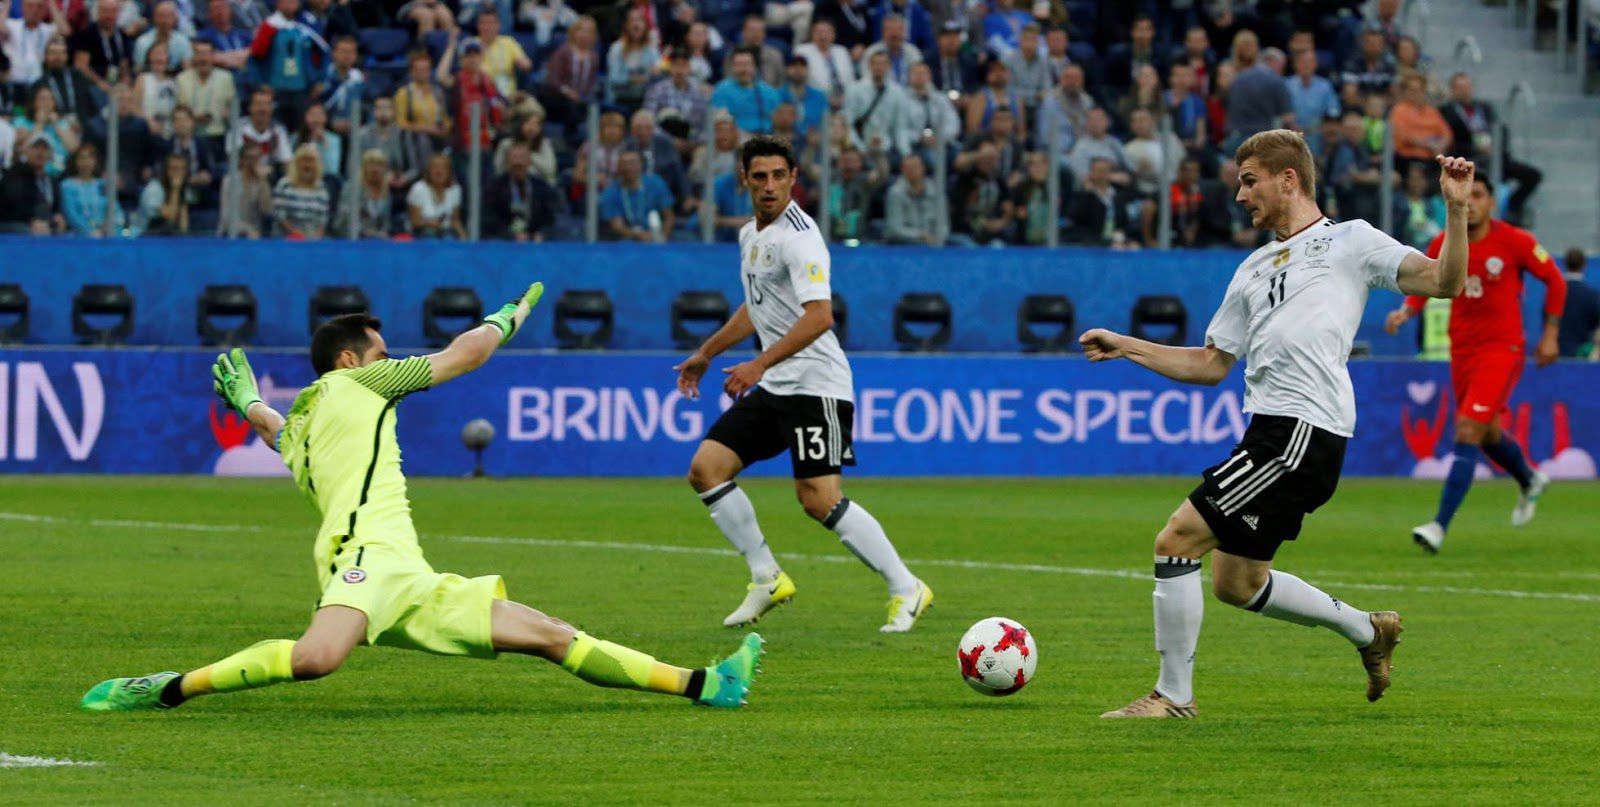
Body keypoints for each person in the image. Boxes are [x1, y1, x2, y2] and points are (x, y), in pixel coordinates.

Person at [80, 296, 764, 714]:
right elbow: (462, 356)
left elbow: (274, 427)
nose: (391, 357)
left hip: (408, 574)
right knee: (318, 659)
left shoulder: (303, 428)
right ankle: (167, 686)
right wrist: (508, 316)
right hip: (366, 563)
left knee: (551, 633)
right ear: (352, 360)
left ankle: (706, 683)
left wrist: (248, 400)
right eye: (380, 351)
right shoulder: (364, 386)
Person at [1081, 131, 1476, 718]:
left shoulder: (1351, 241)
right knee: (1236, 583)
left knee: (1176, 540)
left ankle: (1172, 697)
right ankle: (1370, 632)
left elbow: (1444, 282)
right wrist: (1125, 345)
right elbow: (1211, 364)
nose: (1240, 196)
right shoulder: (1253, 268)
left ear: (1288, 179)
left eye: (1249, 181)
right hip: (1268, 432)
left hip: (1302, 432)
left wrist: (1456, 208)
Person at [673, 135, 932, 632]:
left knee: (818, 499)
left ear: (793, 178)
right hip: (778, 386)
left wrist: (759, 366)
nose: (769, 186)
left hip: (818, 387)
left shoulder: (800, 238)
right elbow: (757, 306)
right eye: (760, 176)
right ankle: (766, 576)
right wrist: (708, 353)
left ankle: (906, 587)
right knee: (707, 469)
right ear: (745, 179)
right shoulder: (751, 234)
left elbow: (820, 317)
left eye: (778, 176)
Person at [1383, 174, 1567, 553]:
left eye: (1479, 195)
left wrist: (1550, 334)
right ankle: (1529, 478)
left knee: (1467, 428)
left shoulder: (1515, 241)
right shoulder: (1447, 241)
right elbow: (1428, 279)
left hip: (1502, 350)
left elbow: (1556, 281)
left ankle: (1438, 525)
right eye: (1468, 196)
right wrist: (1406, 311)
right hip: (1462, 352)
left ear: (1490, 203)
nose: (1471, 202)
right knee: (1487, 433)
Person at [1438, 72, 1541, 226]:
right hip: (1468, 158)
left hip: (1495, 156)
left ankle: (1513, 208)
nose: (1465, 91)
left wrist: (1496, 147)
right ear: (1452, 90)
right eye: (1460, 88)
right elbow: (1451, 140)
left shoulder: (1484, 108)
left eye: (1467, 87)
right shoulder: (1446, 111)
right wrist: (1476, 148)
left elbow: (1501, 129)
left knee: (1532, 175)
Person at [484, 140, 555, 241]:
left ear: (529, 161)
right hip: (504, 243)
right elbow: (489, 219)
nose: (518, 162)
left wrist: (542, 234)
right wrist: (510, 235)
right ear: (507, 161)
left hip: (535, 243)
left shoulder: (542, 187)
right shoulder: (494, 187)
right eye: (514, 158)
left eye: (522, 158)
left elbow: (551, 218)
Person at [599, 149, 673, 241]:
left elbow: (668, 216)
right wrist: (639, 235)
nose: (629, 167)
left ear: (641, 165)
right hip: (627, 238)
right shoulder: (610, 192)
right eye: (624, 164)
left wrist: (663, 237)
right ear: (618, 167)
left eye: (633, 163)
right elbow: (617, 226)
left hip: (657, 234)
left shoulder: (656, 183)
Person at [176, 40, 237, 142]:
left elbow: (232, 107)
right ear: (194, 57)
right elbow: (178, 109)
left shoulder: (226, 78)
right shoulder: (182, 79)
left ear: (213, 56)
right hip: (189, 136)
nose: (203, 59)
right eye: (199, 54)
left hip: (218, 134)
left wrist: (227, 114)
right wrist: (194, 118)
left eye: (207, 54)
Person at [712, 47, 782, 135]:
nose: (744, 69)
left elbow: (777, 119)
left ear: (754, 66)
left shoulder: (768, 91)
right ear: (732, 67)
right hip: (736, 139)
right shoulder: (722, 90)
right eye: (739, 65)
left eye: (747, 64)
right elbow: (721, 122)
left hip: (766, 138)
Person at [883, 151, 946, 245]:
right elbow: (894, 229)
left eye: (915, 167)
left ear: (923, 168)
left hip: (934, 240)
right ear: (902, 170)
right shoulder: (895, 193)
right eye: (907, 168)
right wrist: (921, 236)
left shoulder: (936, 192)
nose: (911, 171)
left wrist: (938, 238)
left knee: (965, 244)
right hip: (905, 242)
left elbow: (944, 225)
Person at [31, 37, 97, 126]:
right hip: (54, 128)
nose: (57, 57)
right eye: (53, 52)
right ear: (46, 56)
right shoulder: (39, 84)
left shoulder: (78, 77)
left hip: (81, 127)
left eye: (61, 53)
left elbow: (91, 107)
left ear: (66, 56)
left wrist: (81, 122)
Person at [61, 143, 125, 235]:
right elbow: (70, 213)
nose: (86, 162)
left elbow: (115, 209)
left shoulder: (102, 184)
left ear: (95, 161)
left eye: (90, 158)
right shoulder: (68, 185)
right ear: (75, 161)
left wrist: (110, 228)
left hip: (105, 234)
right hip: (79, 236)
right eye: (82, 158)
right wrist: (89, 231)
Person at [394, 49, 451, 152]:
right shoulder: (404, 93)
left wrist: (446, 127)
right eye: (418, 70)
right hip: (415, 141)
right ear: (412, 72)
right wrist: (427, 128)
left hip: (438, 139)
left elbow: (445, 118)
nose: (423, 73)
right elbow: (400, 123)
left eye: (426, 69)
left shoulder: (437, 92)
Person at [70, 0, 133, 90]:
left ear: (118, 13)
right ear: (98, 12)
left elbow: (124, 65)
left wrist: (124, 82)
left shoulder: (122, 36)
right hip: (92, 84)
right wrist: (100, 83)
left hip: (116, 84)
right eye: (105, 11)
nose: (109, 15)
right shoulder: (86, 34)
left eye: (113, 11)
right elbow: (81, 66)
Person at [606, 7, 661, 109]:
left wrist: (654, 74)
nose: (636, 24)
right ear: (626, 26)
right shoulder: (617, 48)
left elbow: (658, 72)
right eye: (632, 20)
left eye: (639, 20)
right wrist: (631, 79)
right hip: (621, 99)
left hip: (646, 100)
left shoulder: (651, 49)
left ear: (645, 26)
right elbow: (613, 78)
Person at [228, 86, 294, 170]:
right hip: (243, 175)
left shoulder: (278, 130)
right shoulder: (237, 128)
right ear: (250, 107)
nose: (262, 109)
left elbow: (287, 161)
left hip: (270, 177)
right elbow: (233, 160)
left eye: (267, 104)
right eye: (258, 104)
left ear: (272, 108)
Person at [274, 142, 330, 238]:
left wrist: (316, 238)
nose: (307, 165)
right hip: (287, 237)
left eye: (311, 161)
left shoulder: (321, 188)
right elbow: (280, 216)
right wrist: (297, 235)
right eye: (303, 161)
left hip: (313, 237)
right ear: (296, 164)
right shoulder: (285, 185)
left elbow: (322, 220)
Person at [335, 148, 394, 238]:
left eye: (379, 165)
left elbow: (386, 222)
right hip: (352, 237)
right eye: (371, 164)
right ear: (364, 167)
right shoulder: (352, 188)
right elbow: (343, 217)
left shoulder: (386, 191)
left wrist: (382, 233)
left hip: (378, 240)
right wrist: (363, 231)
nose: (375, 169)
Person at [407, 152, 464, 239]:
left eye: (443, 168)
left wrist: (464, 238)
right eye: (435, 168)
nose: (439, 171)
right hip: (424, 231)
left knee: (450, 240)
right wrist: (428, 223)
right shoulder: (418, 189)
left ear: (449, 172)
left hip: (447, 231)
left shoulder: (455, 189)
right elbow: (414, 221)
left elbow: (455, 221)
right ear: (428, 171)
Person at [218, 148, 274, 237]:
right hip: (230, 234)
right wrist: (247, 230)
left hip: (255, 235)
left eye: (257, 158)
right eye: (250, 158)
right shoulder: (230, 181)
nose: (253, 162)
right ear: (242, 160)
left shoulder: (261, 182)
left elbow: (267, 212)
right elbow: (227, 217)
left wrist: (263, 181)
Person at [794, 17, 854, 97]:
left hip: (845, 97)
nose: (823, 36)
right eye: (819, 32)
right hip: (816, 98)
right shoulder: (802, 51)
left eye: (827, 32)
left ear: (834, 34)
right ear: (812, 34)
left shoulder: (842, 51)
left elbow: (851, 78)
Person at [137, 151, 192, 234]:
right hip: (144, 238)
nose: (179, 173)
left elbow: (183, 226)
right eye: (174, 169)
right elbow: (170, 217)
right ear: (166, 170)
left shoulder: (184, 188)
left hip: (168, 238)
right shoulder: (153, 189)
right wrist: (175, 190)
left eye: (182, 169)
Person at [1557, 249, 1599, 358]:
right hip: (1581, 355)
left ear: (1565, 264)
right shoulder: (1591, 295)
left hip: (1555, 352)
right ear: (1584, 265)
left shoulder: (1554, 293)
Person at [134, 1, 195, 69]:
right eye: (161, 16)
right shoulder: (143, 42)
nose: (164, 21)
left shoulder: (183, 41)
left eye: (168, 16)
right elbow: (139, 69)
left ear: (175, 18)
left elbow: (187, 68)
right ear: (154, 18)